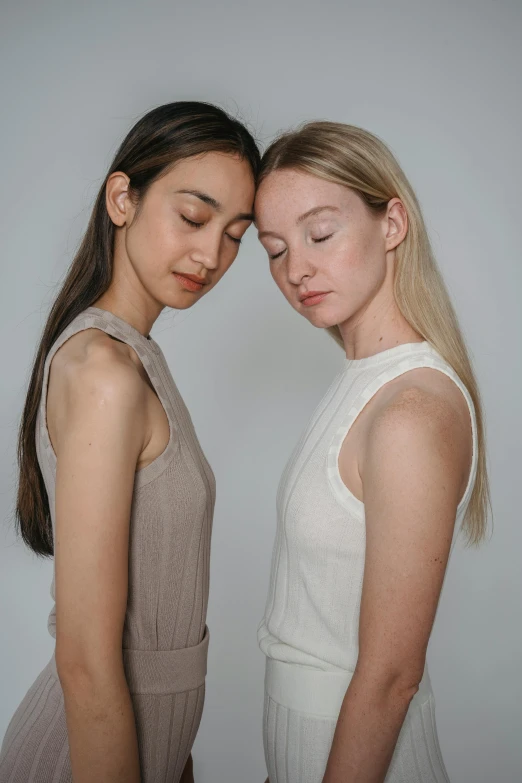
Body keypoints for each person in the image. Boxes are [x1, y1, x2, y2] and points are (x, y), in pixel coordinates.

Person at [0, 101, 259, 783]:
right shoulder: (104, 373)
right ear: (123, 198)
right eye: (195, 217)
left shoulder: (136, 357)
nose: (212, 255)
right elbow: (87, 662)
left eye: (236, 233)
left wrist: (174, 758)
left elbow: (158, 631)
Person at [255, 121, 490, 783]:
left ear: (392, 222)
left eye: (320, 233)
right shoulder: (363, 384)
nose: (295, 268)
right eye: (274, 249)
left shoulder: (409, 412)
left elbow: (390, 676)